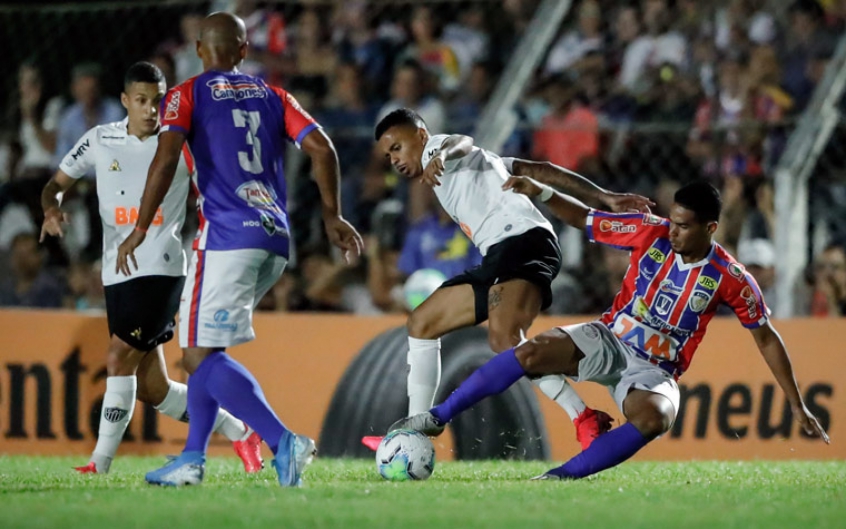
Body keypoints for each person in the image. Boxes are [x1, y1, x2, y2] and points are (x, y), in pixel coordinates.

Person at [392, 178, 829, 480]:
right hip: (609, 338)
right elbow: (584, 218)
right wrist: (541, 191)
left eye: (683, 225)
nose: (671, 230)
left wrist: (795, 404)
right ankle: (435, 417)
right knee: (528, 354)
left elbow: (766, 336)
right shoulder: (649, 232)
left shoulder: (732, 277)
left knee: (656, 416)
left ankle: (558, 478)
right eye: (672, 221)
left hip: (654, 370)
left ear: (710, 228)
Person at [116, 13, 362, 487]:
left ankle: (281, 440)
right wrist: (332, 214)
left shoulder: (186, 94)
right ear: (244, 51)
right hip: (273, 237)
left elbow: (167, 159)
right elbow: (323, 148)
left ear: (199, 49)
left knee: (196, 357)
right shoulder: (274, 96)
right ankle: (192, 459)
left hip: (227, 235)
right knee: (206, 352)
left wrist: (140, 227)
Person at [368, 108, 652, 451]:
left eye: (397, 147)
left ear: (421, 136)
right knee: (423, 322)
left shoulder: (441, 150)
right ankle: (413, 432)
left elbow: (461, 142)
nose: (394, 159)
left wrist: (440, 155)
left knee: (505, 340)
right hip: (502, 252)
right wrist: (602, 196)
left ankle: (583, 416)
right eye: (388, 155)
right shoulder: (487, 163)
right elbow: (541, 171)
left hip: (522, 241)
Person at [40, 62, 261, 475]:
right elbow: (54, 184)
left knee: (118, 356)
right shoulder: (99, 139)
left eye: (157, 100)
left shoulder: (180, 144)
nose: (150, 109)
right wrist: (51, 208)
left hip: (161, 267)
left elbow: (219, 187)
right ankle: (241, 432)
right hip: (116, 272)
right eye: (141, 101)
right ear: (125, 101)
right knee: (155, 390)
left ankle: (99, 464)